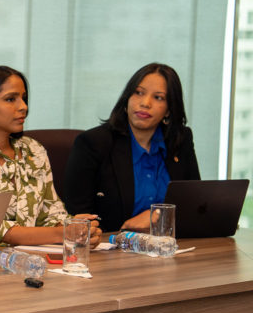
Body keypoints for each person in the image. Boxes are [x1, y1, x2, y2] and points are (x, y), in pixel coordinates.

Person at [0, 65, 101, 246]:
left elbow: (51, 214)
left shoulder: (33, 150)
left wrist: (75, 227)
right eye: (10, 99)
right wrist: (61, 233)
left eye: (24, 98)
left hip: (30, 260)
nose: (23, 107)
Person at [63, 63, 200, 232]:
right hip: (109, 249)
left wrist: (158, 214)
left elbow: (193, 204)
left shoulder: (181, 140)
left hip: (167, 247)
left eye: (158, 98)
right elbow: (77, 217)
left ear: (168, 110)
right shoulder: (93, 143)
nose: (145, 103)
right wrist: (126, 230)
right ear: (127, 99)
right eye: (138, 93)